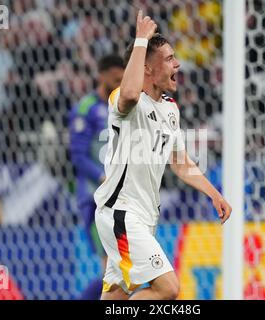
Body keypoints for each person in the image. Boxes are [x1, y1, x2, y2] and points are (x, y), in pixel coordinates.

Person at [93, 11, 231, 300]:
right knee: (168, 288)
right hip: (122, 213)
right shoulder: (124, 101)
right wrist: (141, 39)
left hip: (143, 217)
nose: (177, 64)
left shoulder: (170, 109)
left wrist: (213, 193)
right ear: (147, 69)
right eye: (168, 59)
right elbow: (130, 92)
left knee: (116, 295)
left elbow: (180, 163)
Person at [68, 54, 125, 299]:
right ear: (101, 77)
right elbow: (78, 156)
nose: (120, 83)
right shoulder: (85, 109)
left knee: (119, 271)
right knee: (112, 270)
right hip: (95, 200)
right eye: (115, 79)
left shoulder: (121, 105)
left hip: (118, 199)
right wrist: (103, 177)